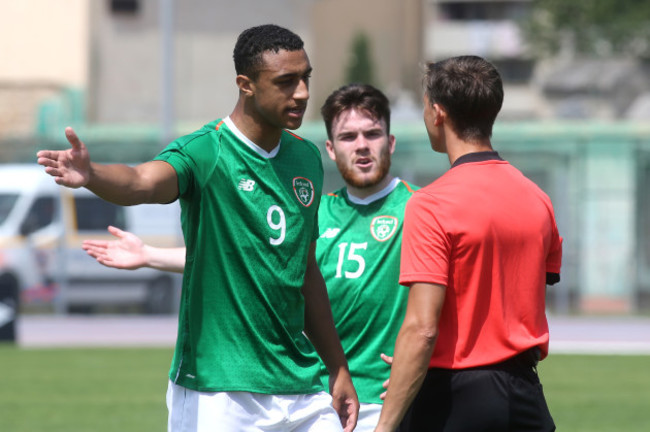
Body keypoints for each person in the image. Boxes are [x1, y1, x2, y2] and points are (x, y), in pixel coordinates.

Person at [37, 24, 358, 432]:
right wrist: (93, 173)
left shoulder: (306, 159)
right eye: (286, 81)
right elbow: (141, 181)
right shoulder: (207, 151)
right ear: (246, 85)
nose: (302, 93)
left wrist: (338, 366)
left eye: (305, 78)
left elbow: (306, 271)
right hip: (219, 390)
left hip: (300, 384)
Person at [82, 83, 419, 431]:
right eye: (349, 137)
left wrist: (425, 363)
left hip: (382, 398)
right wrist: (149, 254)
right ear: (331, 150)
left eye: (372, 134)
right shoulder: (316, 209)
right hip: (320, 389)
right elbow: (250, 263)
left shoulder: (419, 208)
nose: (362, 145)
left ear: (391, 142)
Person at [374, 56, 563, 432]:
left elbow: (422, 328)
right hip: (526, 398)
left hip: (455, 400)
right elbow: (512, 298)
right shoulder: (537, 198)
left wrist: (384, 426)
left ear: (437, 112)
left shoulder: (431, 204)